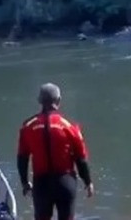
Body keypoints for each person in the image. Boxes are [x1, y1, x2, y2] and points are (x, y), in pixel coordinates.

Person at [17, 83, 94, 220]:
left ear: (39, 101)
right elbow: (81, 159)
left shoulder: (28, 126)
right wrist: (88, 182)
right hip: (65, 182)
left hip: (41, 184)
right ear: (58, 100)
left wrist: (25, 183)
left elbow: (22, 158)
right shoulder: (69, 126)